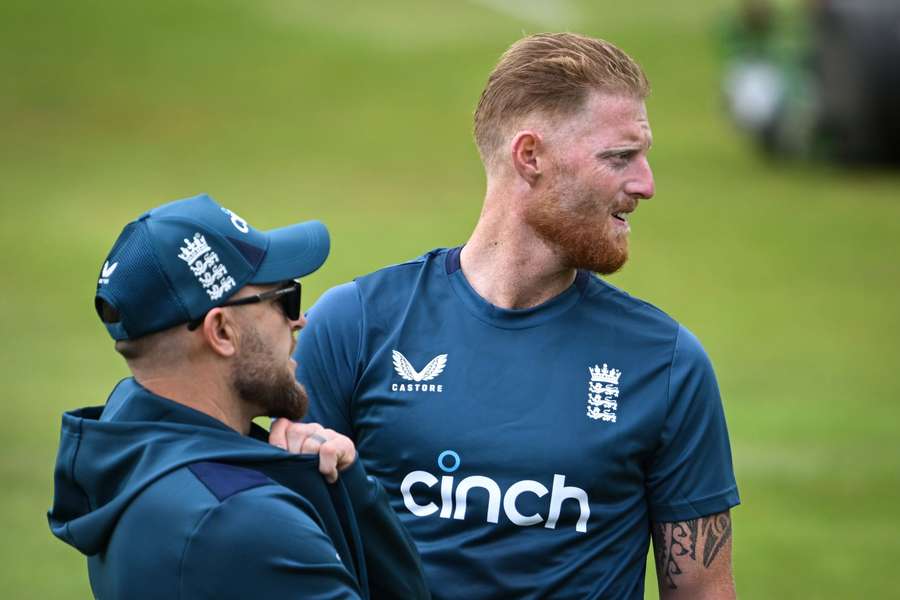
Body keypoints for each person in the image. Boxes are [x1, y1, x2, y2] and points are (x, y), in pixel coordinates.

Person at [275, 33, 741, 599]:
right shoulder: (357, 326)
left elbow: (701, 592)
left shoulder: (666, 364)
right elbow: (283, 553)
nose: (646, 184)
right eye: (619, 158)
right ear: (531, 157)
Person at [48, 194, 429, 599]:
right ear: (222, 332)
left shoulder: (129, 448)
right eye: (284, 298)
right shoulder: (244, 523)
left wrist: (348, 488)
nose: (299, 319)